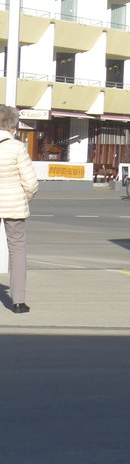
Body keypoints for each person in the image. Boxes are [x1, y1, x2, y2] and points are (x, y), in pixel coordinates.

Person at [0, 104, 38, 313]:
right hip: (13, 203)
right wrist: (26, 198)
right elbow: (30, 182)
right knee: (17, 249)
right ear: (12, 126)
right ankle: (18, 301)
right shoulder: (17, 147)